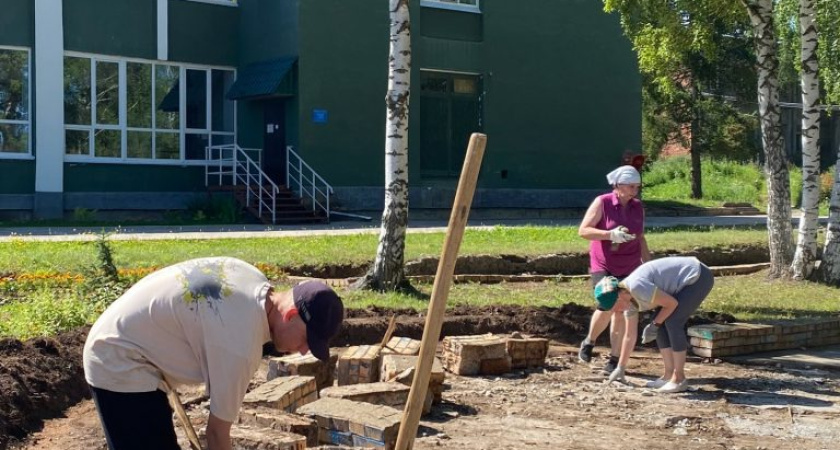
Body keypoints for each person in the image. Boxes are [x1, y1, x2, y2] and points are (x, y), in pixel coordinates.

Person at [83, 257, 345, 450]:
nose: (302, 350)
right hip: (119, 358)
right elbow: (217, 436)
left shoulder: (251, 277)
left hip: (128, 342)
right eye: (305, 340)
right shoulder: (240, 345)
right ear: (290, 315)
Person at [594, 256, 715, 393]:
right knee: (659, 321)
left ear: (619, 296)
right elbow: (629, 336)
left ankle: (679, 379)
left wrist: (655, 324)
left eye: (614, 307)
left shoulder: (637, 287)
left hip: (697, 276)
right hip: (681, 283)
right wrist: (620, 367)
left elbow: (671, 304)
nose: (616, 311)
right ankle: (668, 375)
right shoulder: (629, 302)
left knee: (672, 321)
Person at [577, 165, 651, 374]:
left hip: (630, 264)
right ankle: (590, 341)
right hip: (604, 263)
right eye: (630, 186)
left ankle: (614, 359)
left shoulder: (638, 206)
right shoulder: (603, 202)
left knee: (622, 309)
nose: (634, 190)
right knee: (607, 302)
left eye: (637, 186)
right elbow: (583, 231)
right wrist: (610, 235)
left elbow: (641, 237)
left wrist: (648, 264)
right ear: (617, 185)